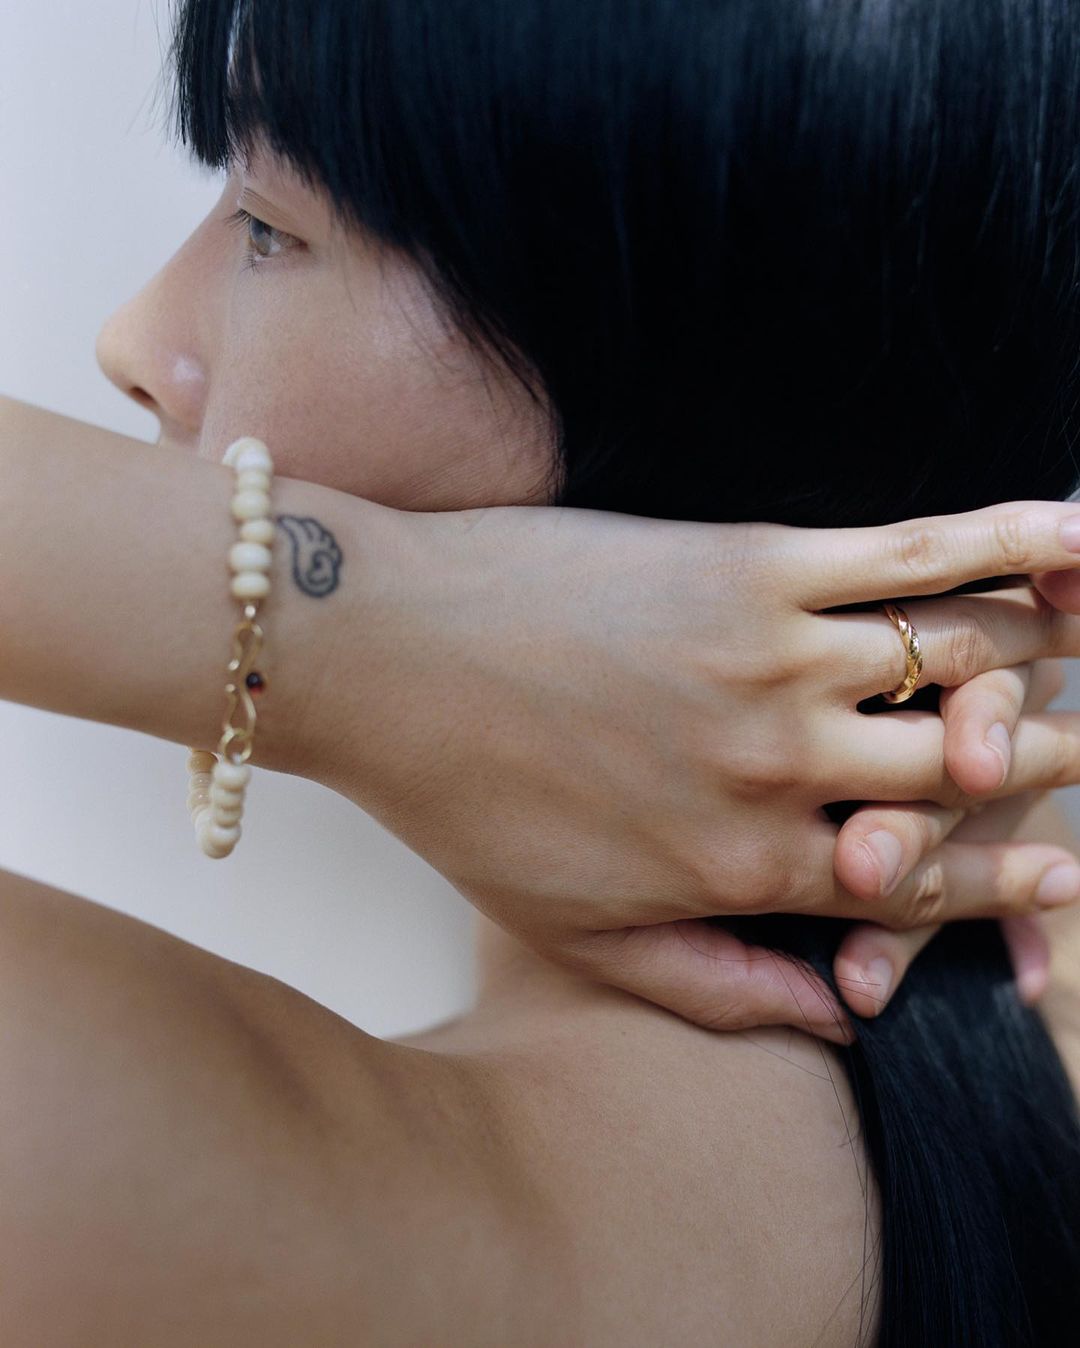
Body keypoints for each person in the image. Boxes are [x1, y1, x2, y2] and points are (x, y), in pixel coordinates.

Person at [2, 0, 1080, 1342]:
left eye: (272, 227)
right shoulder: (1005, 1090)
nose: (135, 339)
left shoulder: (208, 1181)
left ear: (684, 375)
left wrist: (358, 629)